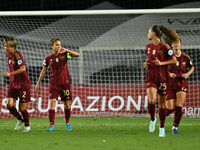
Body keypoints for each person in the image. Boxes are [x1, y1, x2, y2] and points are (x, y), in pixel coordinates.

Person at [35, 39, 80, 131]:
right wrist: (38, 82)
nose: (59, 46)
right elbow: (43, 70)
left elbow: (77, 54)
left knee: (67, 104)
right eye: (57, 45)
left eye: (60, 45)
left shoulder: (65, 55)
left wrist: (67, 50)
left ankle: (67, 122)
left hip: (65, 83)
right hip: (53, 84)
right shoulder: (48, 58)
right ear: (52, 46)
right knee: (52, 103)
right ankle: (52, 125)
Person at [143, 25, 177, 137]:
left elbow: (174, 60)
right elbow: (150, 59)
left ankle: (161, 128)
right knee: (152, 100)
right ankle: (153, 119)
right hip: (151, 76)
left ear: (153, 33)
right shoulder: (148, 46)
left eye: (149, 31)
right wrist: (147, 62)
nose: (147, 34)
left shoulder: (165, 47)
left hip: (162, 78)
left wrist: (161, 63)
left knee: (162, 105)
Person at [2, 37, 31, 132]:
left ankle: (27, 126)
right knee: (9, 104)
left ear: (12, 47)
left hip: (23, 84)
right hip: (13, 84)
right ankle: (19, 119)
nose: (5, 48)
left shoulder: (17, 56)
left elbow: (23, 69)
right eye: (4, 46)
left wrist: (9, 74)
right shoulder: (8, 56)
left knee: (22, 107)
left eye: (7, 46)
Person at [166, 39, 194, 134]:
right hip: (170, 83)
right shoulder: (168, 57)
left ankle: (175, 127)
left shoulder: (186, 57)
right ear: (171, 45)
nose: (176, 45)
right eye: (174, 43)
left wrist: (187, 74)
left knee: (179, 107)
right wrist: (169, 74)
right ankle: (163, 114)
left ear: (180, 44)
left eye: (177, 43)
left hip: (181, 82)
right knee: (170, 108)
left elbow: (192, 67)